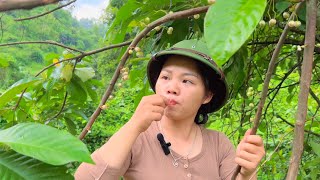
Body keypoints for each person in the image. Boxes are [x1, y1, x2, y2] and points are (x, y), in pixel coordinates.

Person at [75, 39, 265, 180]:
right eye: (165, 77)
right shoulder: (138, 138)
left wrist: (247, 173)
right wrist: (133, 125)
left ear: (207, 96)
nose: (171, 87)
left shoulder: (218, 144)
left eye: (187, 81)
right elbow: (85, 177)